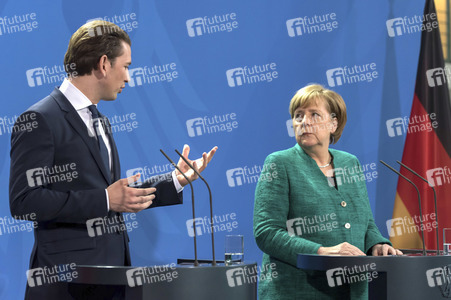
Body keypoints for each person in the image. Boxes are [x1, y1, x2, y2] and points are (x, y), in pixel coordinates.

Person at [9, 20, 217, 299]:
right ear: (104, 64)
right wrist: (105, 199)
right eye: (126, 66)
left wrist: (174, 181)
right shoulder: (39, 119)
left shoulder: (101, 121)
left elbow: (116, 195)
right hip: (66, 283)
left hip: (110, 278)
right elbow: (24, 202)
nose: (128, 77)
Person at [253, 84, 401, 299]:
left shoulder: (350, 163)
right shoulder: (279, 163)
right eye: (298, 116)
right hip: (297, 291)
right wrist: (322, 251)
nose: (304, 122)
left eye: (314, 114)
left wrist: (377, 243)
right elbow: (266, 232)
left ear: (334, 123)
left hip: (353, 289)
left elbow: (365, 221)